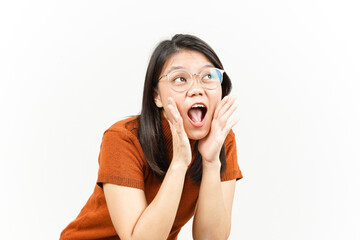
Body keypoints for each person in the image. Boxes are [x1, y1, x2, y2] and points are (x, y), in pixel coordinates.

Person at [60, 34, 243, 240]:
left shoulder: (221, 140)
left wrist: (211, 162)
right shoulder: (123, 138)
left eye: (208, 76)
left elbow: (210, 238)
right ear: (157, 96)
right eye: (180, 79)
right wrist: (179, 163)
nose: (196, 89)